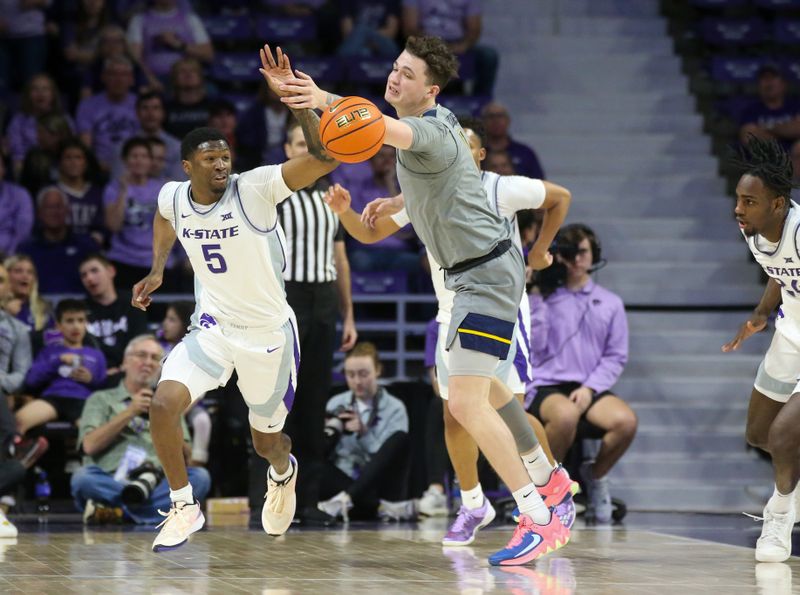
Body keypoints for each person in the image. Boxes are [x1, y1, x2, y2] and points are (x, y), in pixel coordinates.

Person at [277, 37, 569, 565]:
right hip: (470, 280)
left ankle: (538, 515)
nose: (394, 78)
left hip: (485, 277)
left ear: (429, 90)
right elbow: (380, 212)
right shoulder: (423, 144)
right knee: (489, 394)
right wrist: (392, 198)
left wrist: (318, 96)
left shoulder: (429, 129)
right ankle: (550, 486)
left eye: (406, 74)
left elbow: (372, 126)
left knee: (465, 404)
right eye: (393, 68)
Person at [325, 117, 575, 546]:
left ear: (475, 155)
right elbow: (369, 233)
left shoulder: (500, 187)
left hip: (500, 309)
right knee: (456, 414)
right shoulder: (425, 192)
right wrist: (344, 210)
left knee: (505, 412)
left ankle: (551, 493)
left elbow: (560, 198)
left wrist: (539, 250)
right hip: (450, 311)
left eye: (463, 145)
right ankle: (474, 502)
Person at [130, 43, 340, 552]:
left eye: (225, 155)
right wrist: (158, 268)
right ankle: (183, 504)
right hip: (214, 328)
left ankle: (282, 472)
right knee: (162, 404)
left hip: (268, 335)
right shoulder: (173, 195)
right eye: (210, 158)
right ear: (188, 166)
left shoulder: (258, 187)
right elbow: (163, 216)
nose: (221, 163)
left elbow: (322, 157)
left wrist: (296, 101)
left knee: (266, 441)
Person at [721, 136, 800, 562]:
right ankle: (793, 484)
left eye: (749, 201)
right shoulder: (753, 232)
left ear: (778, 204)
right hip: (791, 336)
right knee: (759, 434)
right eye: (738, 199)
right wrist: (760, 313)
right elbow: (779, 271)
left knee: (785, 434)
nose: (738, 208)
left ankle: (780, 515)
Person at [527, 223, 636, 524]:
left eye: (583, 252)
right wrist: (535, 294)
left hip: (589, 385)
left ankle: (595, 476)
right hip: (547, 383)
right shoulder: (544, 296)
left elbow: (615, 356)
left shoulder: (610, 302)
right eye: (570, 252)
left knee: (625, 422)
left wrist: (590, 388)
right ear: (559, 256)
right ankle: (546, 490)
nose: (577, 259)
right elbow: (534, 347)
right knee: (565, 416)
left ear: (594, 254)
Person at [276, 117, 357, 526]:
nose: (303, 152)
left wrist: (349, 315)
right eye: (296, 145)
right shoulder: (272, 193)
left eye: (310, 147)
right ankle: (268, 500)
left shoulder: (330, 195)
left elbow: (340, 259)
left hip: (323, 299)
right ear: (286, 150)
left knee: (313, 405)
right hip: (284, 298)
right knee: (276, 404)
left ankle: (306, 503)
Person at [70, 334, 210, 524]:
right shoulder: (101, 399)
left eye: (154, 358)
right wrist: (130, 411)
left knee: (200, 477)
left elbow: (186, 456)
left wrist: (169, 418)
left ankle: (117, 513)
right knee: (82, 479)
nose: (148, 362)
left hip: (156, 482)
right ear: (125, 362)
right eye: (141, 355)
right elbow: (89, 446)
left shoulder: (167, 405)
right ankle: (152, 514)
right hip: (112, 479)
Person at [317, 342, 413, 521]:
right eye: (350, 375)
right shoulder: (336, 403)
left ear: (377, 370)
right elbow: (323, 457)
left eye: (363, 374)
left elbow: (389, 457)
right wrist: (330, 436)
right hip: (344, 482)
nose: (357, 381)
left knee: (400, 439)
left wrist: (364, 433)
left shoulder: (395, 407)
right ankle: (361, 504)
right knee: (308, 463)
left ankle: (348, 500)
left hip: (378, 486)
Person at [15, 298, 107, 435]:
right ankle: (20, 454)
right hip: (53, 399)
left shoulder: (96, 354)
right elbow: (31, 381)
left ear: (86, 324)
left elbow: (105, 388)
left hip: (83, 401)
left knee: (95, 434)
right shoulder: (49, 351)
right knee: (17, 422)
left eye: (81, 320)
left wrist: (91, 379)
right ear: (58, 325)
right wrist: (57, 361)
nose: (76, 326)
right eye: (70, 321)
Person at [401, 0, 497, 97]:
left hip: (457, 43)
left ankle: (483, 102)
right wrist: (431, 46)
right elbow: (410, 28)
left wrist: (462, 46)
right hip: (424, 42)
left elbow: (474, 28)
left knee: (488, 56)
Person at [103, 137, 164, 289]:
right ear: (125, 160)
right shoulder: (114, 188)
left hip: (156, 263)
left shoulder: (163, 189)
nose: (139, 161)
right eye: (134, 156)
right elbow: (113, 225)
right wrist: (124, 191)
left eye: (144, 156)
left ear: (151, 161)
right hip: (123, 260)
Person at [18, 186, 98, 294]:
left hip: (80, 304)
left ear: (67, 210)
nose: (54, 212)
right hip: (39, 304)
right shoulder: (26, 249)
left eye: (58, 206)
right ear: (39, 213)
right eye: (49, 207)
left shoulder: (86, 245)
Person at [79, 253, 149, 372]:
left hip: (129, 371)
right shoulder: (80, 310)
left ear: (111, 271)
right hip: (93, 373)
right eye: (84, 275)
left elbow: (141, 340)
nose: (89, 278)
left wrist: (124, 368)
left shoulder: (132, 303)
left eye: (94, 271)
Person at [76, 55, 140, 172]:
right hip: (98, 168)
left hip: (135, 166)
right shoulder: (87, 106)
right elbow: (85, 146)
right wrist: (98, 165)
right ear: (103, 77)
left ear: (131, 79)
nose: (118, 79)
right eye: (113, 74)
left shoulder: (141, 105)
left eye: (124, 74)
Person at [126, 0, 213, 82]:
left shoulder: (190, 19)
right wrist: (150, 79)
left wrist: (178, 44)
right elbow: (135, 57)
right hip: (152, 79)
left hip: (185, 79)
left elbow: (208, 55)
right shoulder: (139, 20)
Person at [6, 74, 74, 179]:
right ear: (28, 94)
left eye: (45, 89)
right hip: (29, 170)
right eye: (35, 89)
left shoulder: (64, 119)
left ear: (53, 94)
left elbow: (71, 148)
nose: (40, 93)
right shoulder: (19, 120)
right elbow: (17, 156)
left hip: (61, 169)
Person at [739, 64, 800, 152]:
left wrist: (768, 128)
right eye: (764, 78)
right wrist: (786, 134)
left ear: (784, 84)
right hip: (762, 161)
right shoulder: (751, 110)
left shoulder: (796, 106)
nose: (768, 82)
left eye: (773, 77)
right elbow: (748, 139)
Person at [56, 139, 106, 246]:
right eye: (68, 157)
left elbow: (104, 228)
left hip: (90, 250)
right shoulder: (51, 194)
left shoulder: (97, 193)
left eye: (78, 158)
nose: (73, 162)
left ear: (85, 163)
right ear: (60, 162)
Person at [481, 102, 545, 180]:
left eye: (500, 116)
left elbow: (540, 184)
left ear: (508, 120)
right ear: (483, 121)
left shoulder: (525, 153)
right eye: (491, 116)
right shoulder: (474, 153)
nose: (496, 121)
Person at [164, 57, 214, 139]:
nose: (188, 74)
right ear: (174, 78)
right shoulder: (165, 108)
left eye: (193, 71)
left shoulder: (213, 106)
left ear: (200, 77)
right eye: (182, 71)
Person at [3, 254, 52, 333]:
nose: (25, 276)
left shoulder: (44, 308)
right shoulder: (2, 309)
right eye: (18, 271)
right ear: (6, 275)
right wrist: (6, 314)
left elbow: (54, 340)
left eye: (30, 272)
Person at [0, 159, 35, 258]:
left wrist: (8, 256)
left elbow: (23, 233)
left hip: (11, 257)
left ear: (4, 169)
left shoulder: (20, 195)